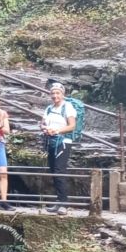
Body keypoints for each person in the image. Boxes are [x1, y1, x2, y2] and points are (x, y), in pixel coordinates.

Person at [40, 82, 77, 215]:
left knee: (59, 170)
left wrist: (56, 131)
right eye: (53, 93)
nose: (55, 96)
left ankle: (64, 204)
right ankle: (59, 201)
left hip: (63, 142)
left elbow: (72, 126)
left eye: (58, 93)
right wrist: (45, 129)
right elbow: (42, 123)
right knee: (53, 171)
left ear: (63, 94)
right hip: (50, 142)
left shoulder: (67, 107)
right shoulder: (49, 108)